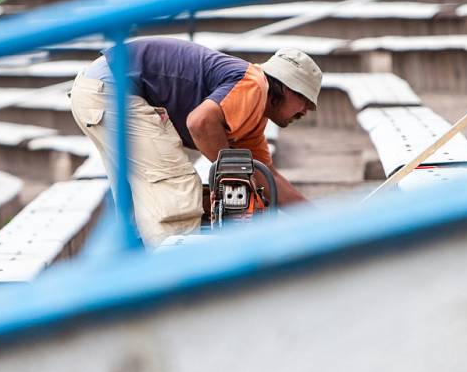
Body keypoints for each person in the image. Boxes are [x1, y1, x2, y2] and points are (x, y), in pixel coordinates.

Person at [69, 36, 322, 246]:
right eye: (306, 102)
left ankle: (138, 274)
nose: (305, 112)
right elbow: (200, 123)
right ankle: (178, 281)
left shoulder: (252, 117)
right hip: (113, 90)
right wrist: (235, 175)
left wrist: (319, 222)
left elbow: (268, 178)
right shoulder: (255, 84)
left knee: (141, 202)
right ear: (288, 88)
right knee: (176, 191)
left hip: (100, 89)